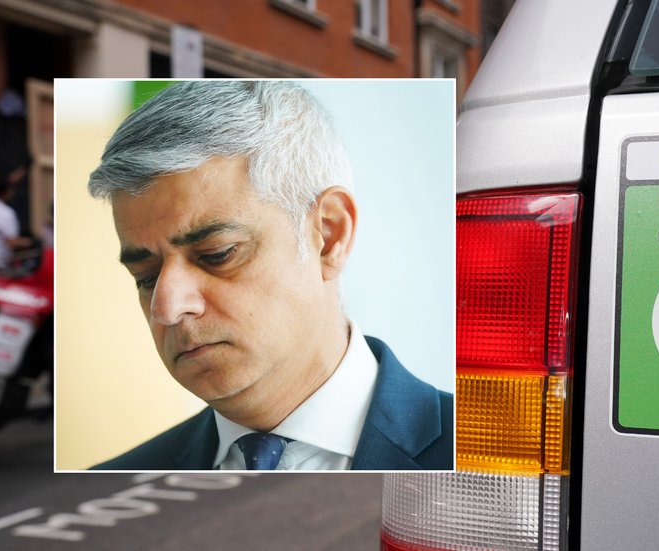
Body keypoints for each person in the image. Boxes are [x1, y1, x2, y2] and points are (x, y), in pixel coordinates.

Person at [86, 81, 452, 470]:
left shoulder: (496, 455)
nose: (167, 307)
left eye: (217, 254)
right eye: (146, 276)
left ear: (328, 237)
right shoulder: (105, 484)